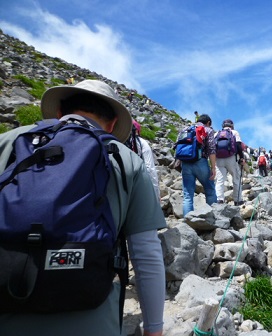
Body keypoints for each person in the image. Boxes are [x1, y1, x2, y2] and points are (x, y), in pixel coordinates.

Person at [0, 79, 166, 336]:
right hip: (93, 319)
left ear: (59, 113)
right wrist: (153, 327)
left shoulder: (9, 142)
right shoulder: (125, 159)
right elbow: (146, 253)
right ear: (112, 125)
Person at [180, 114, 217, 215]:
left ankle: (187, 224)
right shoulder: (208, 130)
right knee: (210, 189)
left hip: (185, 162)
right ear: (208, 123)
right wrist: (213, 168)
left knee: (187, 195)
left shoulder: (185, 129)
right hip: (200, 162)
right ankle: (213, 218)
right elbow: (211, 149)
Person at [215, 119, 245, 206]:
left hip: (219, 159)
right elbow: (239, 146)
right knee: (236, 178)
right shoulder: (234, 132)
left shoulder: (217, 133)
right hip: (231, 158)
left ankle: (219, 199)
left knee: (220, 180)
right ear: (232, 125)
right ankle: (238, 200)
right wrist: (242, 158)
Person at [130, 119, 161, 201]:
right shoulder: (142, 143)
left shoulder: (115, 141)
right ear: (138, 131)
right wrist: (156, 194)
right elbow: (150, 169)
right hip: (136, 185)